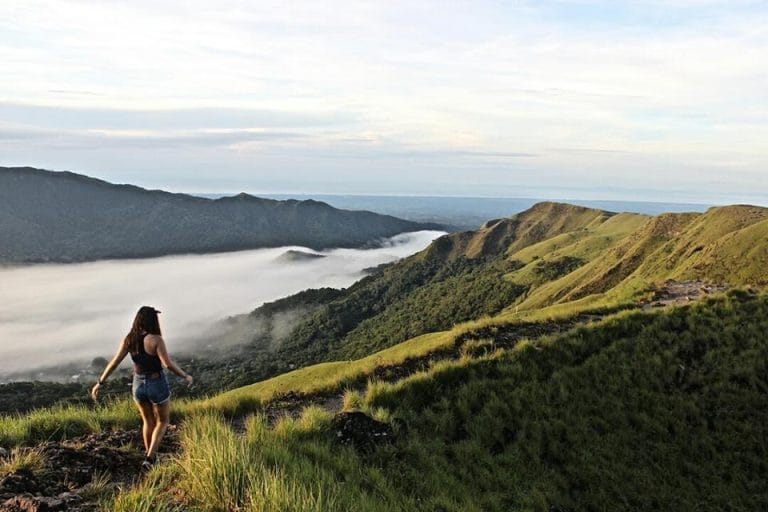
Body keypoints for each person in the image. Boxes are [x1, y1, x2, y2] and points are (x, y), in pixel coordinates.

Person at [91, 306, 193, 467]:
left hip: (137, 385)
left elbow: (114, 362)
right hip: (156, 382)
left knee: (148, 421)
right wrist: (185, 376)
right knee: (163, 421)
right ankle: (151, 457)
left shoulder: (129, 339)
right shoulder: (156, 340)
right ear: (153, 321)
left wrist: (99, 383)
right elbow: (167, 364)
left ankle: (148, 457)